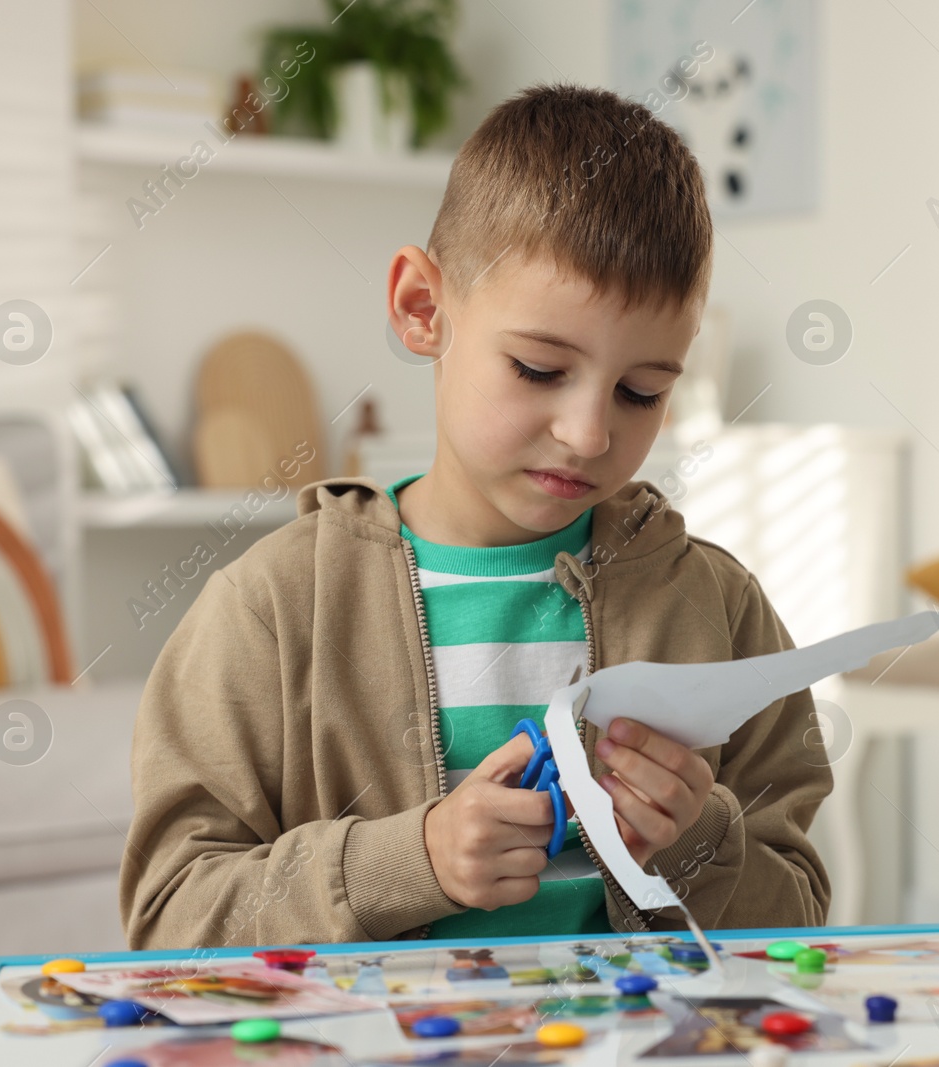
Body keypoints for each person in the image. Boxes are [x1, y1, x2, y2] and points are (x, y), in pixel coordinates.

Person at [119, 83, 831, 950]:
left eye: (642, 391)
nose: (588, 432)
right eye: (538, 368)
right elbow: (167, 920)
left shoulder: (719, 608)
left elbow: (800, 915)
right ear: (424, 310)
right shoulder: (271, 608)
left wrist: (697, 843)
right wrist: (410, 859)